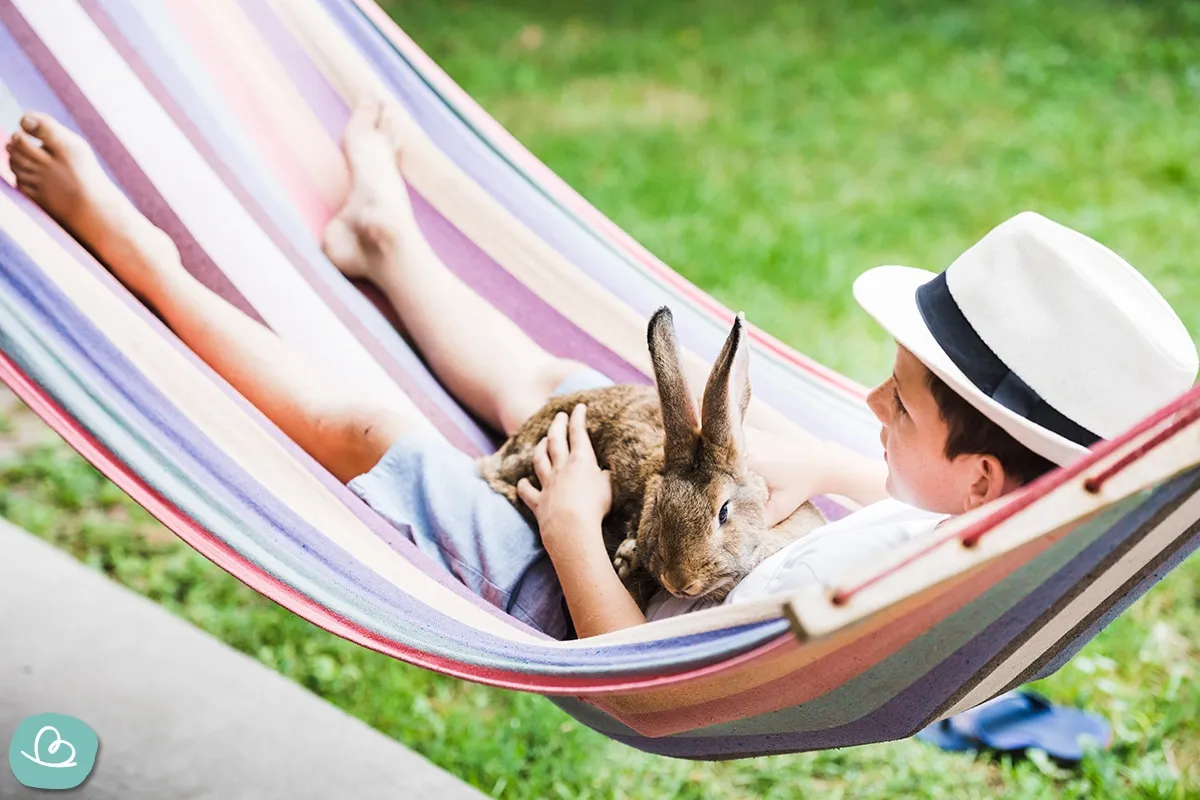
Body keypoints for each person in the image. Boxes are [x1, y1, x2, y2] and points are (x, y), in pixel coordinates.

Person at [7, 105, 1196, 640]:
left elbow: (629, 651)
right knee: (564, 385)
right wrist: (806, 458)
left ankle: (144, 259)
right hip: (695, 534)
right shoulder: (982, 529)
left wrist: (574, 524)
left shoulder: (852, 596)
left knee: (366, 421)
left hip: (577, 584)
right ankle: (388, 245)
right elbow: (882, 499)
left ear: (984, 476)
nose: (874, 400)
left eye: (902, 401)